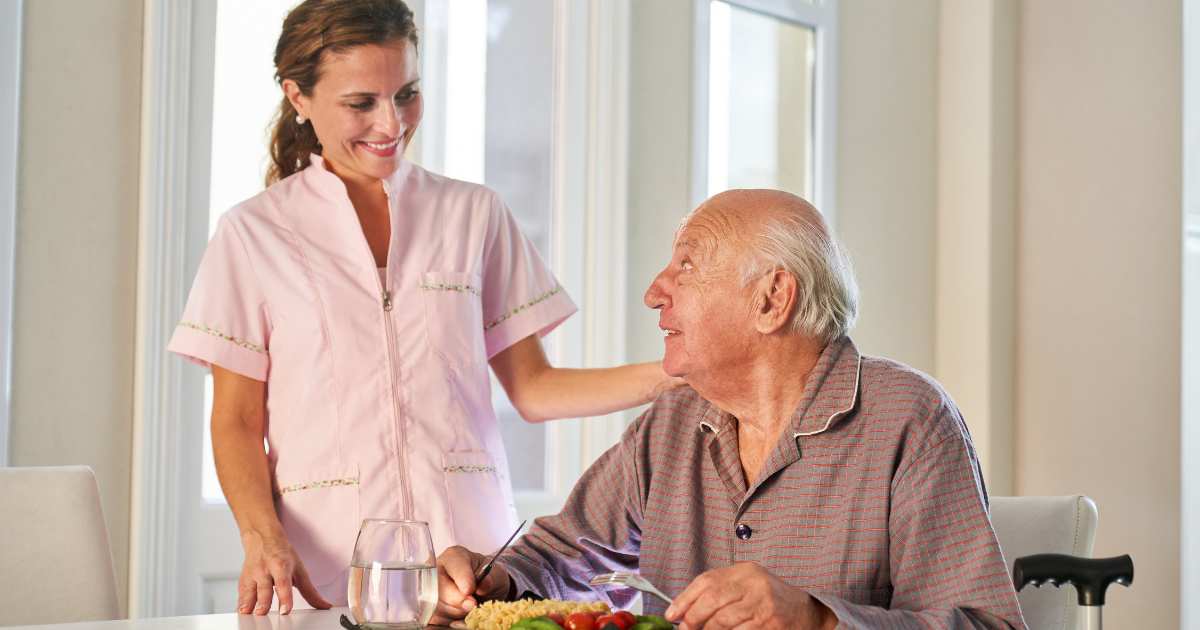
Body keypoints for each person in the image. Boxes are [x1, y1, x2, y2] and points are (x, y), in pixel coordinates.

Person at [167, 0, 678, 616]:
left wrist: (676, 375)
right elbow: (236, 423)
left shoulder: (473, 215)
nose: (391, 123)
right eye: (361, 103)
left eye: (406, 94)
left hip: (474, 563)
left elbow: (535, 389)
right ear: (298, 97)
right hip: (328, 569)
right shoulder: (253, 235)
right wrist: (262, 535)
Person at [434, 190, 1027, 629]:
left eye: (686, 266)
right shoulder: (672, 424)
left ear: (772, 299)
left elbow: (989, 625)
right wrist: (491, 579)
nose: (654, 291)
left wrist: (819, 621)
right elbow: (563, 556)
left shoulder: (908, 418)